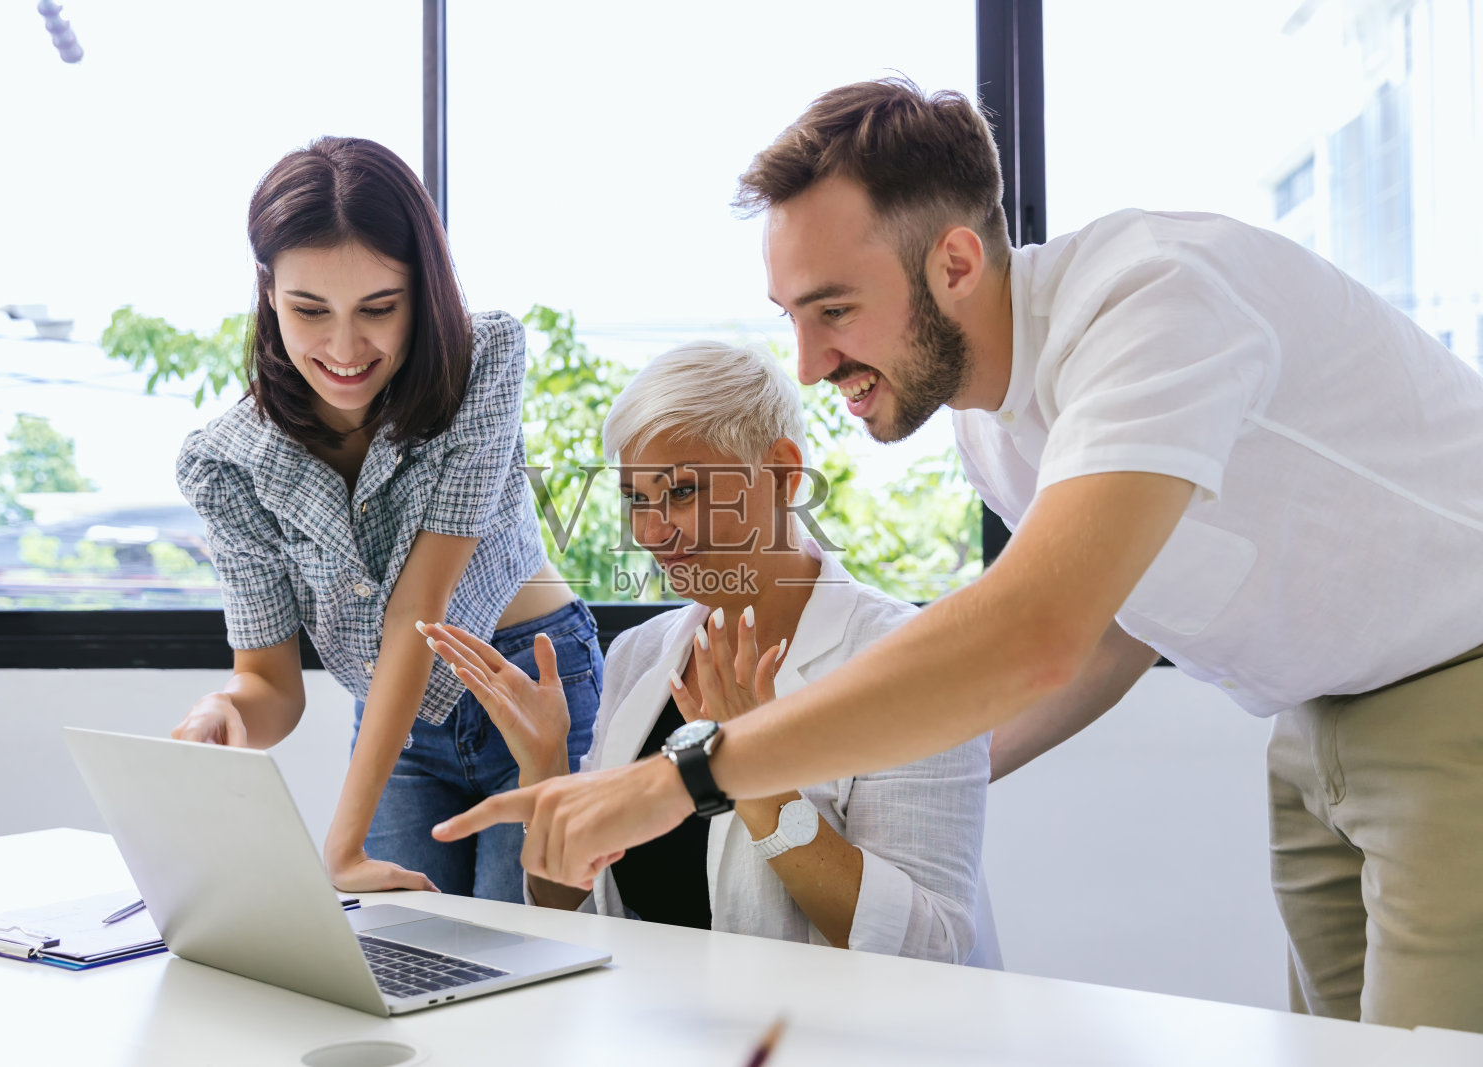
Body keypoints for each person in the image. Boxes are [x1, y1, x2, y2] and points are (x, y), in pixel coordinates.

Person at [433, 80, 1483, 1031]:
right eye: (791, 318)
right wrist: (923, 761)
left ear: (955, 260)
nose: (809, 361)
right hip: (1310, 722)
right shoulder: (995, 429)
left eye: (834, 309)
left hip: (1451, 683)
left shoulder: (1152, 303)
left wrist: (688, 777)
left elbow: (1036, 629)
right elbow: (1121, 625)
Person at [422, 340, 997, 964]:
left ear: (782, 473)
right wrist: (544, 764)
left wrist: (756, 777)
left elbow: (933, 948)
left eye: (683, 493)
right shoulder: (641, 656)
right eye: (636, 499)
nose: (648, 532)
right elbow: (570, 910)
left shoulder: (912, 664)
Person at [172, 136, 600, 900]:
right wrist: (224, 712)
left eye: (378, 308)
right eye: (310, 310)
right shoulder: (226, 461)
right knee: (401, 962)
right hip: (397, 721)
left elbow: (419, 610)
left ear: (423, 290)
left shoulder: (484, 362)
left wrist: (338, 842)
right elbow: (272, 686)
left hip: (532, 684)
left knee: (530, 957)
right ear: (269, 291)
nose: (343, 346)